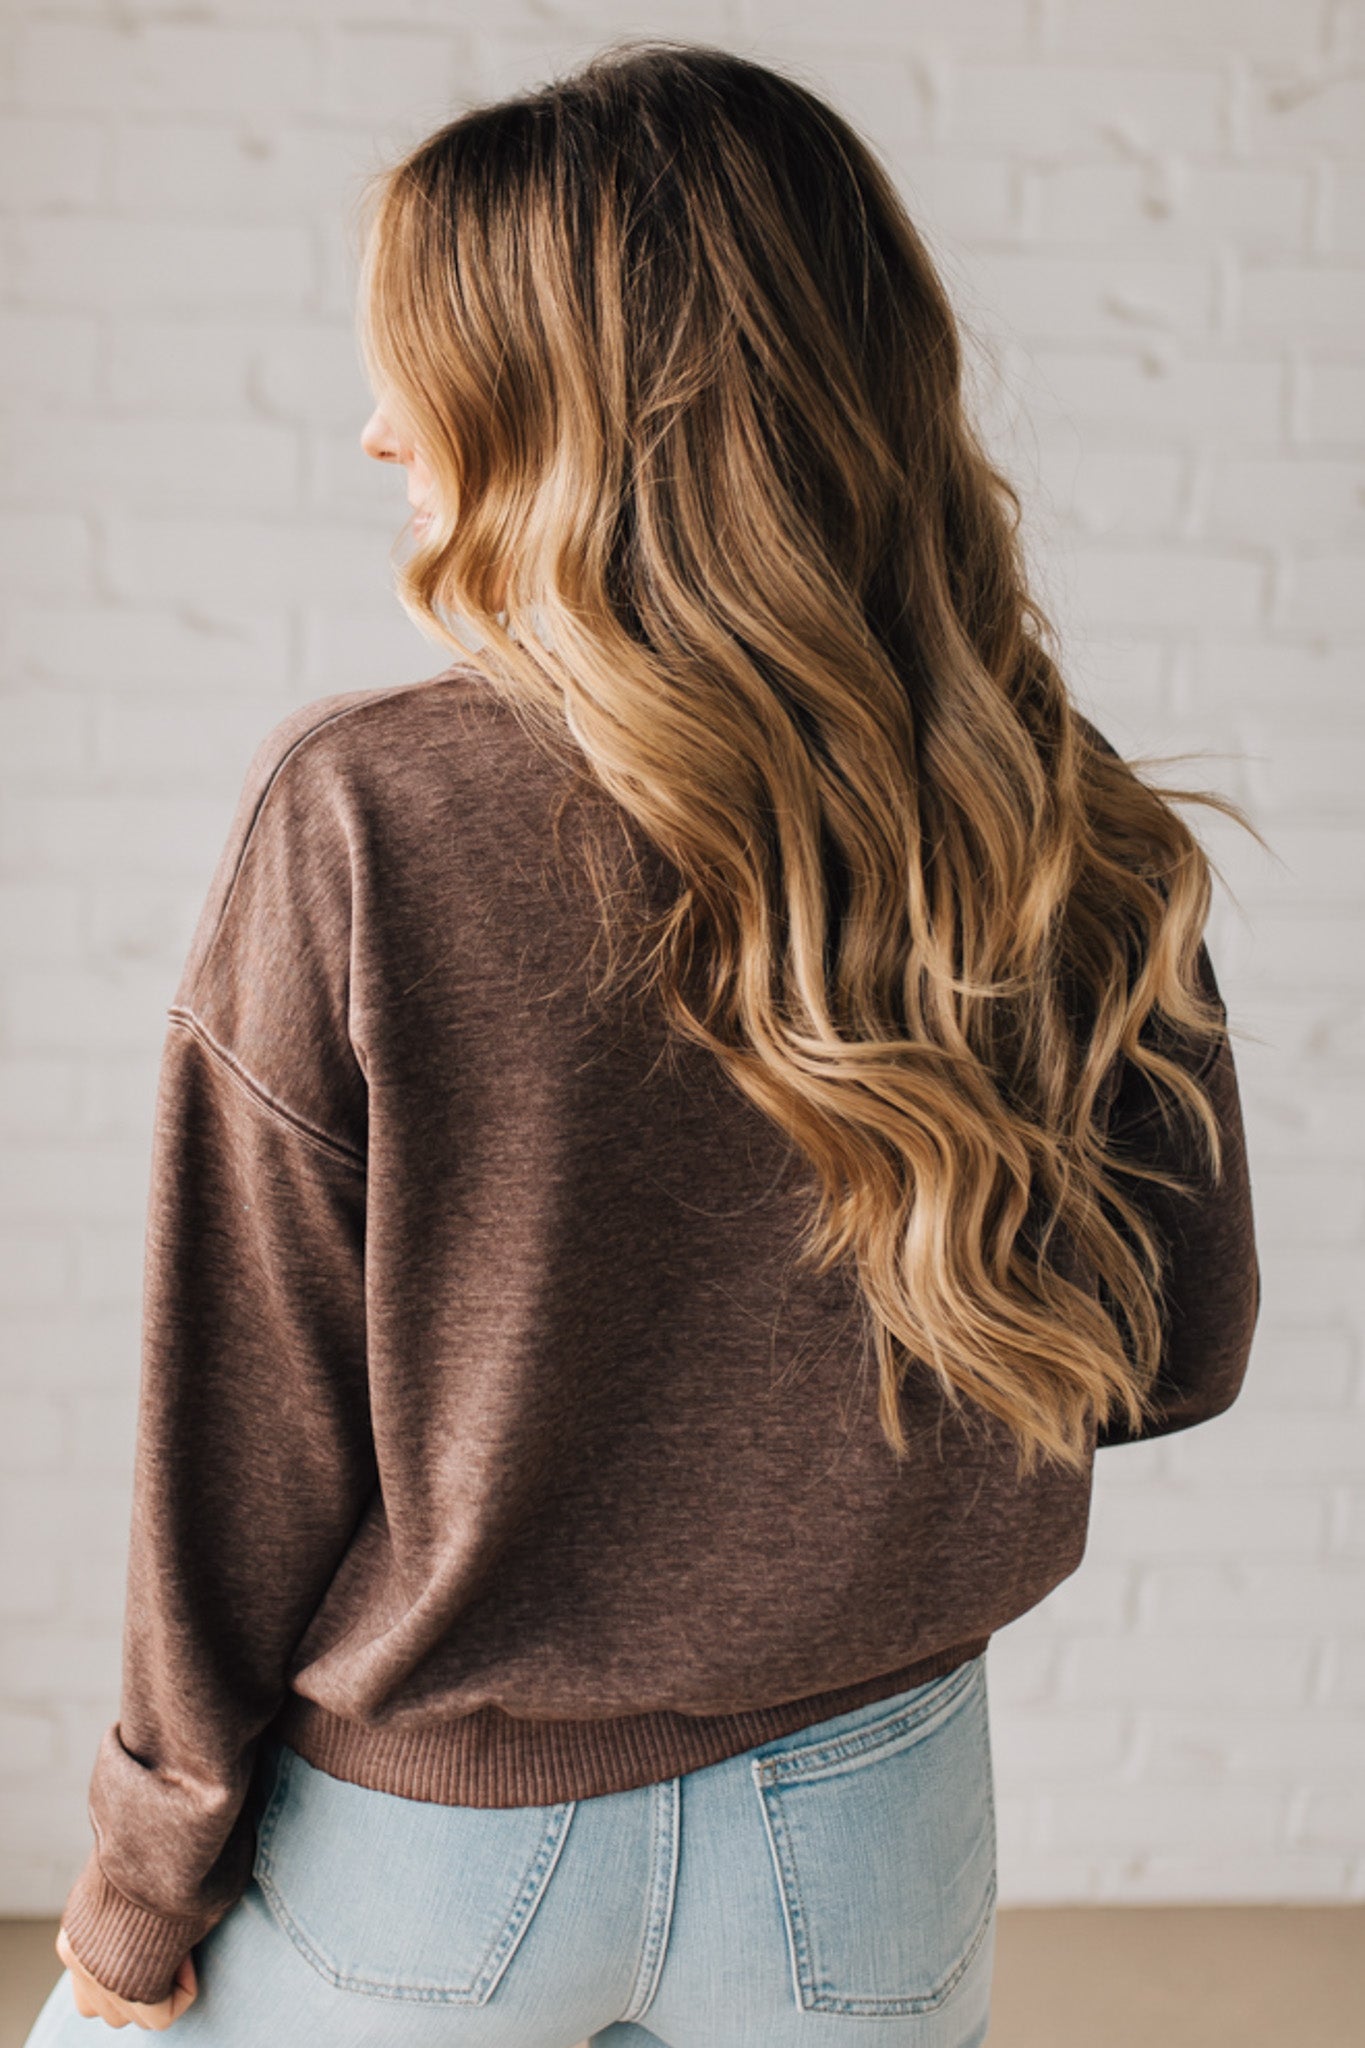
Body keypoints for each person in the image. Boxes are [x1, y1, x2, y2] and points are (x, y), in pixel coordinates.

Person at [24, 37, 1261, 2048]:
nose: (367, 433)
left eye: (420, 371)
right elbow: (1168, 1349)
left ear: (566, 412)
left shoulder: (362, 813)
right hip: (873, 1820)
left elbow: (235, 1454)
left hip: (432, 1859)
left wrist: (129, 1913)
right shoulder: (1042, 799)